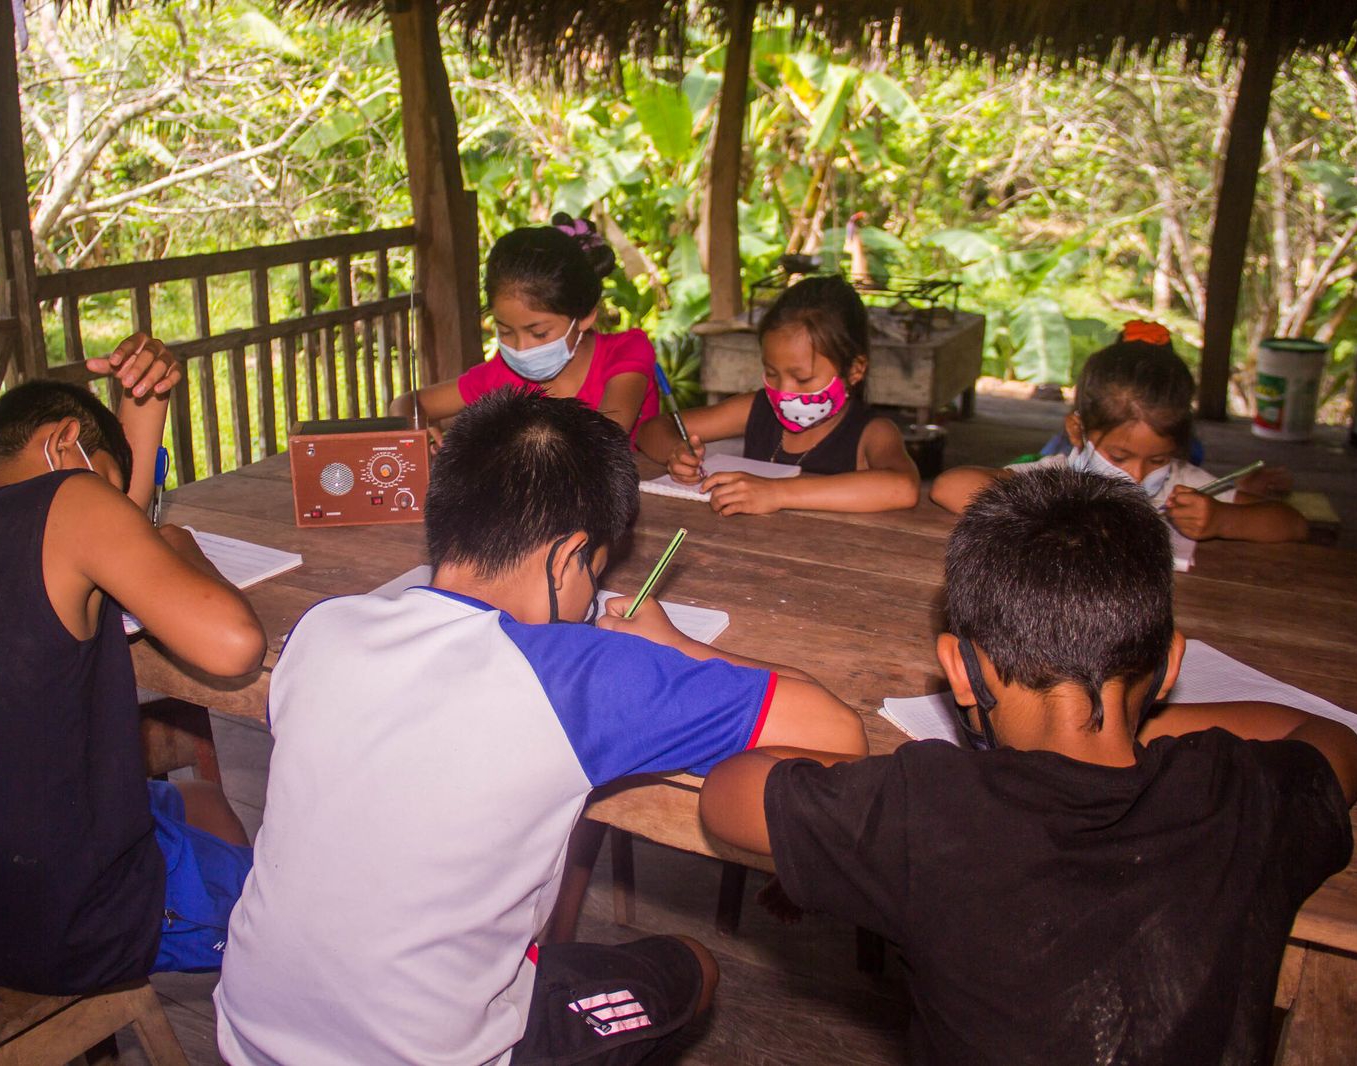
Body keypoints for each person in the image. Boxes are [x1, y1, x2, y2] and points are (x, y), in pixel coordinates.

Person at [215, 388, 869, 1066]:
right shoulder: (578, 677)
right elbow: (837, 731)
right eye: (597, 572)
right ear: (568, 559)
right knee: (692, 968)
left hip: (249, 1031)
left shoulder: (325, 628)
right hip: (435, 1057)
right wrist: (671, 645)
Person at [699, 467, 1357, 1065]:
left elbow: (728, 794)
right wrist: (1139, 722)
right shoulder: (1246, 797)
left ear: (959, 670)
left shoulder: (927, 809)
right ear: (1171, 665)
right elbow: (1331, 741)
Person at [0, 336, 267, 996]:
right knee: (295, 904)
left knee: (196, 797)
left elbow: (115, 532)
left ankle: (220, 922)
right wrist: (179, 544)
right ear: (61, 448)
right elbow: (235, 645)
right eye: (110, 485)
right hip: (73, 924)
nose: (120, 511)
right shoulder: (72, 503)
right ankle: (254, 970)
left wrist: (147, 406)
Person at [931, 321, 1308, 542]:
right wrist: (1050, 514)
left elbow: (1293, 524)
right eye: (1119, 457)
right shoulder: (1061, 479)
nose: (1139, 476)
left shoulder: (1182, 487)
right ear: (1078, 432)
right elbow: (948, 487)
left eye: (1158, 459)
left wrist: (1223, 520)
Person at [637, 275, 919, 515]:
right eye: (772, 373)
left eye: (802, 378)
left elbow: (903, 487)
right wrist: (676, 453)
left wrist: (777, 493)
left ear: (855, 370)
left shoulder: (872, 432)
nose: (784, 391)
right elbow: (652, 430)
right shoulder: (755, 408)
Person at [389, 212, 659, 443]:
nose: (521, 348)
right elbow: (407, 403)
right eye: (505, 331)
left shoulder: (626, 354)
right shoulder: (502, 373)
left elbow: (601, 441)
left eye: (539, 333)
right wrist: (414, 430)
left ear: (586, 315)